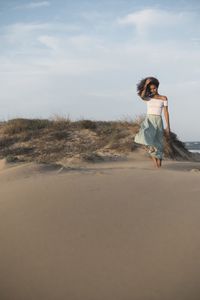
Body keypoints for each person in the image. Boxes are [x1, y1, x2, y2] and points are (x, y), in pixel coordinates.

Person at [134, 77, 171, 168]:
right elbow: (141, 96)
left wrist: (168, 126)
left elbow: (166, 112)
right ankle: (156, 164)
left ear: (157, 87)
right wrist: (146, 84)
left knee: (159, 143)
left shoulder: (164, 98)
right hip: (149, 121)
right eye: (151, 89)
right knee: (149, 143)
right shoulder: (147, 98)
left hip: (158, 121)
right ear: (148, 89)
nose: (153, 90)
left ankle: (159, 163)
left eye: (154, 88)